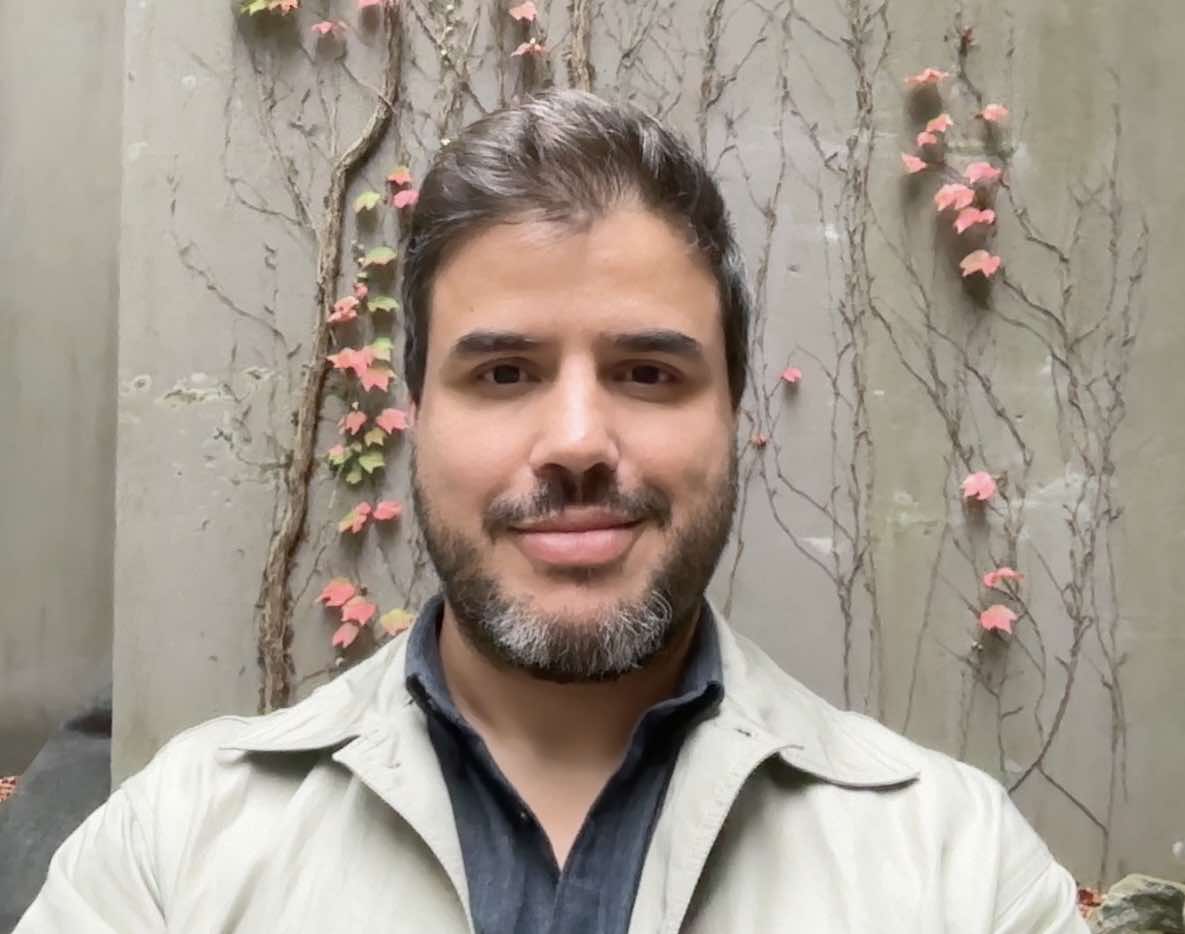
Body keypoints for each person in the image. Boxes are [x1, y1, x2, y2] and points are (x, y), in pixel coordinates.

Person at [16, 89, 1087, 933]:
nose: (578, 440)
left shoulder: (959, 869)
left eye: (649, 373)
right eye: (505, 374)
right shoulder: (175, 852)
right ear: (417, 414)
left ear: (731, 413)